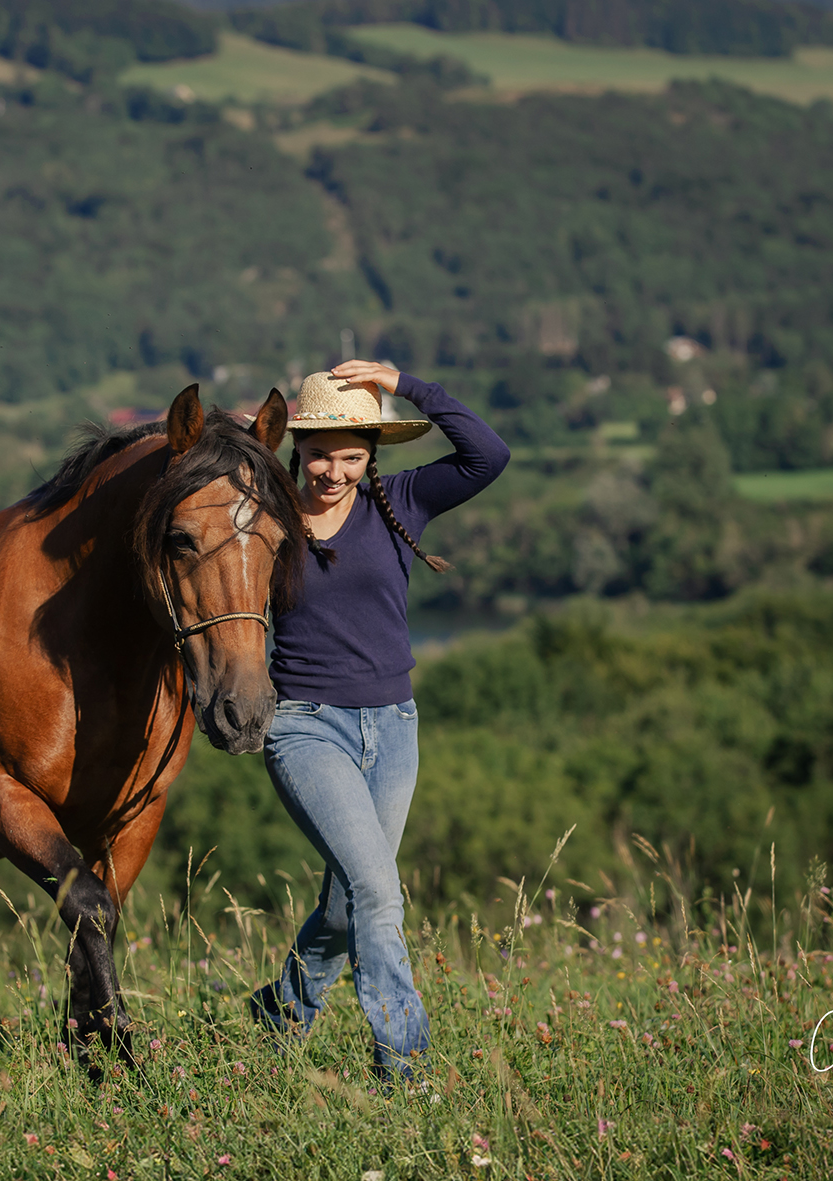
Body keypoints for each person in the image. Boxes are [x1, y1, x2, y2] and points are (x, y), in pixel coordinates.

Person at [249, 359, 510, 1080]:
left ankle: (280, 1013)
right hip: (304, 726)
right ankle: (405, 1062)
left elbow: (489, 453)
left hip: (393, 727)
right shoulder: (266, 521)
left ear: (373, 456)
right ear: (296, 446)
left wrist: (407, 383)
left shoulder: (399, 501)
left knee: (345, 903)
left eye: (352, 456)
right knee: (377, 890)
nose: (334, 470)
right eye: (321, 453)